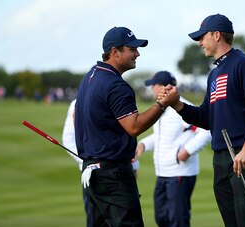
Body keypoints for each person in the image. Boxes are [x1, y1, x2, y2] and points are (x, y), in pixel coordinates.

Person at [163, 14, 245, 226]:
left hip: (244, 155)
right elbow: (206, 117)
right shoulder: (214, 74)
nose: (199, 42)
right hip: (221, 157)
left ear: (217, 35)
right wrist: (177, 104)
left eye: (202, 37)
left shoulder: (244, 65)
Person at [74, 26, 179, 227]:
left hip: (92, 172)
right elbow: (134, 127)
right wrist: (162, 104)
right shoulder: (115, 85)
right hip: (112, 174)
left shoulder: (90, 77)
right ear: (115, 52)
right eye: (132, 49)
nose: (137, 53)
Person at [135, 71, 211, 227]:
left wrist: (186, 151)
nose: (152, 90)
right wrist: (143, 144)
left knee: (178, 220)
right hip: (163, 173)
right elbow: (162, 136)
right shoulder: (161, 107)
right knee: (162, 218)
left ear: (162, 87)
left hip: (180, 173)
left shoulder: (181, 107)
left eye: (153, 86)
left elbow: (206, 130)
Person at [62, 99, 141, 227]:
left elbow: (125, 134)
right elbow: (68, 138)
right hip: (92, 175)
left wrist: (134, 167)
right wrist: (89, 160)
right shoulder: (77, 103)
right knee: (97, 222)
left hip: (120, 172)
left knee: (125, 221)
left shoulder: (117, 97)